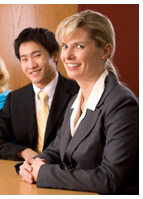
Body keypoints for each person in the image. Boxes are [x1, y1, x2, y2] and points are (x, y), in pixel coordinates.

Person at [17, 10, 139, 195]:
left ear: (105, 51)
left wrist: (44, 173)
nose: (67, 56)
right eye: (65, 46)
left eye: (79, 46)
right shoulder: (76, 99)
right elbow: (56, 150)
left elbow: (110, 178)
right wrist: (32, 164)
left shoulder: (121, 103)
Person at [0, 28, 79, 160]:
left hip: (64, 176)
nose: (31, 65)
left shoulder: (78, 92)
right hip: (26, 175)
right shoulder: (14, 99)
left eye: (37, 56)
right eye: (24, 59)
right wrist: (22, 152)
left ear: (55, 55)